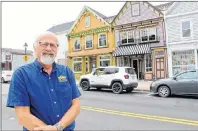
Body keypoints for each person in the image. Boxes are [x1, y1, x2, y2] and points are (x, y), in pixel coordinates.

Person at [6, 31, 81, 131]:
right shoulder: (21, 74)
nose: (49, 48)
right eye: (44, 44)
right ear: (35, 47)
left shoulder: (66, 72)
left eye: (53, 45)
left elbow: (76, 105)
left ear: (57, 49)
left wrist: (58, 127)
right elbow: (23, 115)